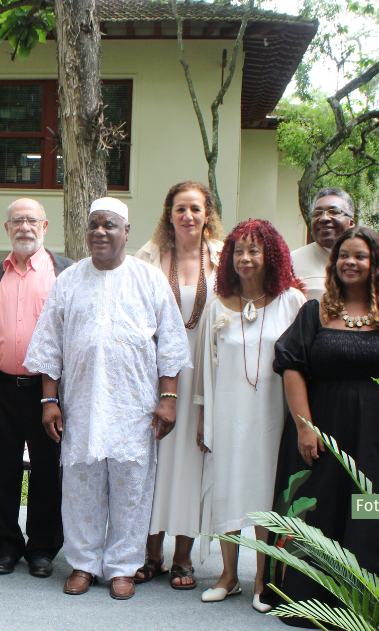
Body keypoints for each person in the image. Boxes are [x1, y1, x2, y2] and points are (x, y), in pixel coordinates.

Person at [25, 197, 189, 601]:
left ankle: (122, 566)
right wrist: (49, 400)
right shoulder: (68, 280)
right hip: (81, 402)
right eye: (94, 224)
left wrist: (167, 398)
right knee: (81, 484)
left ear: (126, 233)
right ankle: (83, 563)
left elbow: (170, 344)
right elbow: (49, 346)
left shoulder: (149, 280)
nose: (100, 231)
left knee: (133, 486)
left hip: (135, 405)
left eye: (110, 225)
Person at [262, 227, 379, 624]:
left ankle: (373, 606)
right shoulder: (315, 312)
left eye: (361, 256)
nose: (351, 262)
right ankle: (308, 601)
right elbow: (292, 368)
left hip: (378, 433)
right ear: (334, 265)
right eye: (344, 256)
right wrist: (304, 427)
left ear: (376, 264)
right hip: (322, 429)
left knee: (374, 512)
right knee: (320, 509)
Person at [196, 219, 305, 611]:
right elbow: (205, 369)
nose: (245, 258)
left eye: (254, 250)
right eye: (238, 251)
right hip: (226, 411)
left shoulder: (291, 301)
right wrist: (203, 419)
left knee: (263, 491)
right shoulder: (215, 306)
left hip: (272, 414)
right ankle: (228, 576)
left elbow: (302, 363)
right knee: (225, 486)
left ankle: (262, 579)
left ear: (270, 255)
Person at [132, 181, 223, 590]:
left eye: (196, 209)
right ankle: (150, 552)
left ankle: (183, 556)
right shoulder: (148, 257)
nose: (188, 216)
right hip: (154, 373)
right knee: (154, 457)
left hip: (206, 368)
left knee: (191, 458)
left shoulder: (223, 257)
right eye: (180, 208)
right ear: (168, 214)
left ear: (207, 215)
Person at [0, 198, 72, 578]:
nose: (24, 227)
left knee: (48, 469)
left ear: (45, 225)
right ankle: (3, 545)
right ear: (6, 229)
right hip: (1, 386)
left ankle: (43, 548)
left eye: (31, 220)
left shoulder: (63, 272)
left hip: (48, 390)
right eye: (16, 220)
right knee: (0, 468)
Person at [291, 187, 379, 301]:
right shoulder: (291, 262)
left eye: (334, 212)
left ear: (351, 223)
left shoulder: (376, 259)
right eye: (317, 213)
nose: (324, 218)